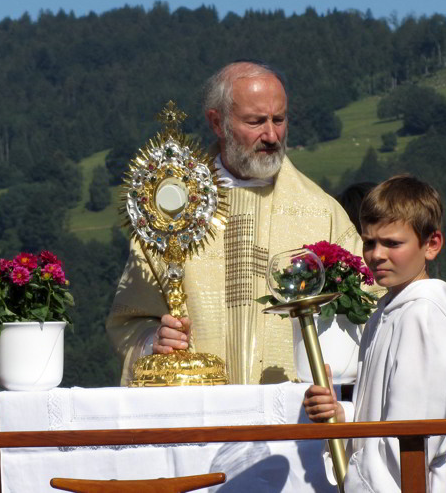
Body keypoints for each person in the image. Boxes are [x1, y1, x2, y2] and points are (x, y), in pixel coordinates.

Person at [106, 61, 366, 385]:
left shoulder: (321, 212)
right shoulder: (168, 211)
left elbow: (367, 301)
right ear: (218, 122)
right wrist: (153, 341)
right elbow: (128, 319)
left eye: (279, 119)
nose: (272, 135)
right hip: (197, 411)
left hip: (292, 414)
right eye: (256, 121)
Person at [303, 175, 446, 492]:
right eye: (369, 242)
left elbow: (412, 436)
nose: (376, 254)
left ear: (432, 244)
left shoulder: (424, 313)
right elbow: (383, 413)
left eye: (392, 243)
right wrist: (343, 413)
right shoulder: (389, 309)